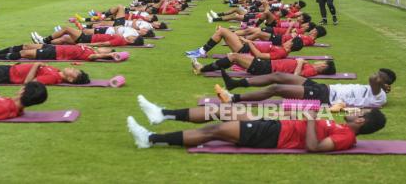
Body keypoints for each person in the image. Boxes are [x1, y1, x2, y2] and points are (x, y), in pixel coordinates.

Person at [126, 95, 386, 151]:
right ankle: (164, 113)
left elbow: (314, 147)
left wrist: (310, 121)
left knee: (214, 131)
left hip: (272, 136)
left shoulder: (346, 138)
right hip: (273, 126)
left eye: (358, 111)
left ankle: (149, 139)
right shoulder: (342, 126)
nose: (354, 110)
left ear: (361, 121)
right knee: (224, 109)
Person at [214, 69, 396, 108]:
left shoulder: (379, 95)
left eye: (382, 76)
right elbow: (374, 78)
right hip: (324, 88)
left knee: (276, 88)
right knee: (278, 75)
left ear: (385, 83)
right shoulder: (377, 87)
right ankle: (235, 83)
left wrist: (382, 83)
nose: (376, 75)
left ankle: (233, 98)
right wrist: (383, 82)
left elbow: (372, 79)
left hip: (324, 97)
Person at [0, 61, 90, 91]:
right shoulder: (56, 71)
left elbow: (28, 82)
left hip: (6, 75)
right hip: (9, 69)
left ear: (70, 79)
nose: (71, 69)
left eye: (74, 72)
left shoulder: (54, 78)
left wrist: (36, 65)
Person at [186, 26, 303, 59]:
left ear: (292, 44)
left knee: (222, 31)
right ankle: (202, 50)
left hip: (244, 50)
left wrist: (249, 42)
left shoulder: (281, 52)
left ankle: (202, 51)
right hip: (246, 46)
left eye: (290, 41)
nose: (288, 41)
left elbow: (260, 55)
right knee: (222, 30)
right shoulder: (283, 49)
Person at [192, 56, 336, 77]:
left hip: (267, 69)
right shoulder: (309, 66)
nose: (318, 62)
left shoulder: (312, 71)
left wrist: (299, 62)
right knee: (234, 58)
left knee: (234, 57)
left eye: (321, 63)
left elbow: (296, 77)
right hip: (268, 65)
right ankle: (203, 68)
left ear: (323, 66)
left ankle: (202, 69)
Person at [0, 42, 119, 62]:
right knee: (26, 45)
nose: (104, 48)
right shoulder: (89, 48)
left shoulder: (91, 54)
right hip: (54, 47)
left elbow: (95, 56)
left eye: (106, 50)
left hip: (55, 54)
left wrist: (108, 55)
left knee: (25, 54)